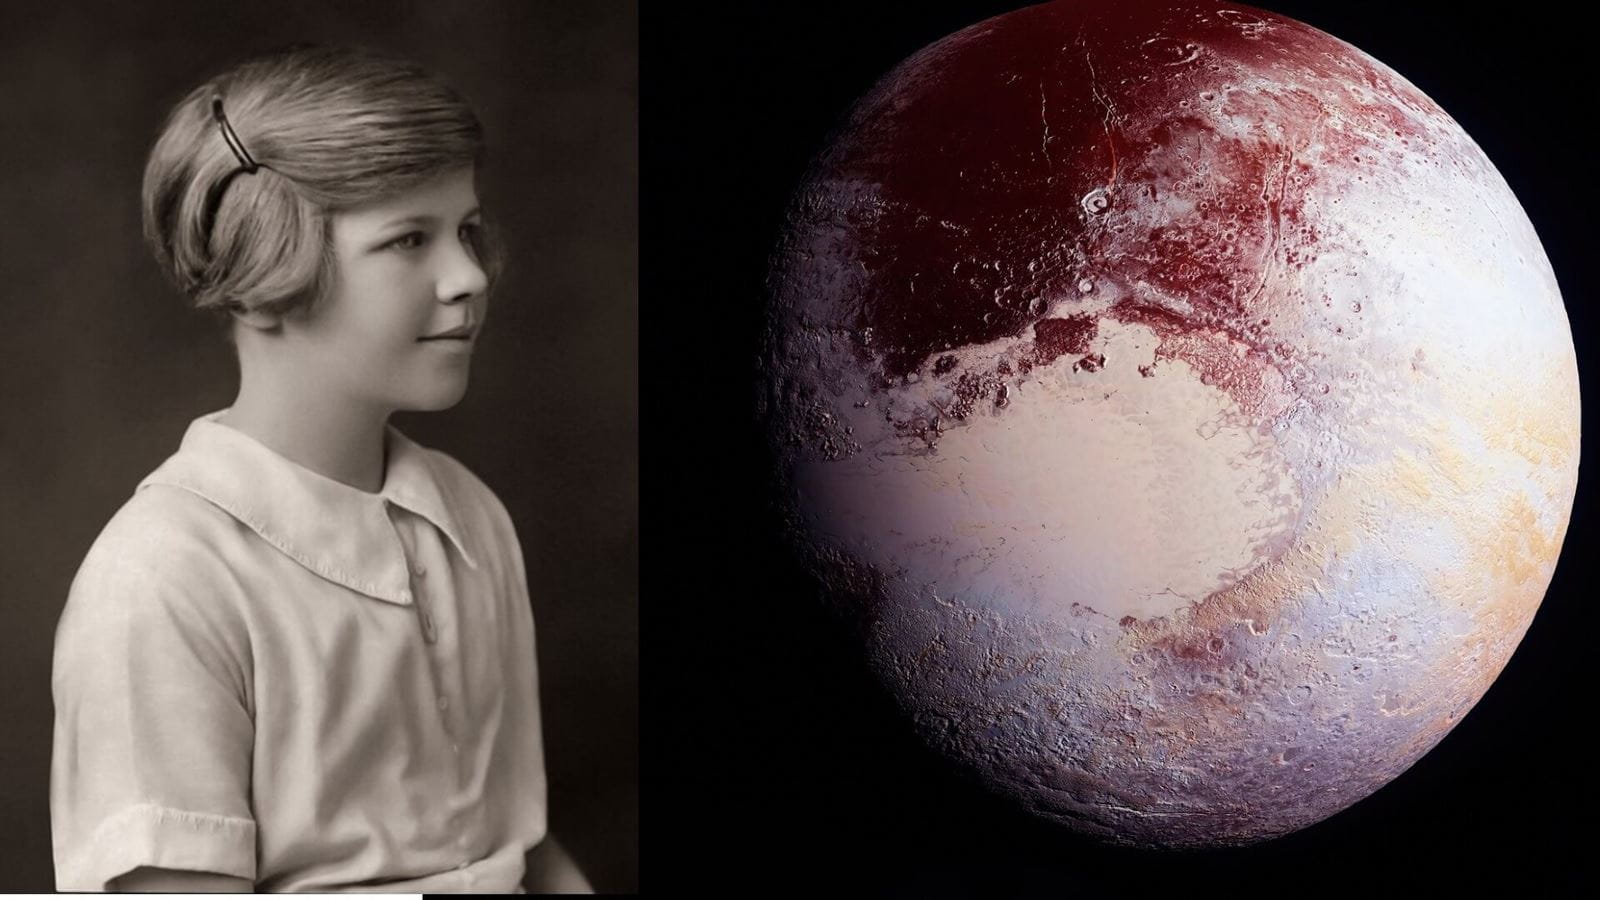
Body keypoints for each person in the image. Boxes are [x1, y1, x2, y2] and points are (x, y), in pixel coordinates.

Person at [49, 44, 591, 893]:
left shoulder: (470, 516)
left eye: (467, 231)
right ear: (265, 270)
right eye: (409, 239)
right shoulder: (162, 580)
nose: (469, 277)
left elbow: (521, 850)